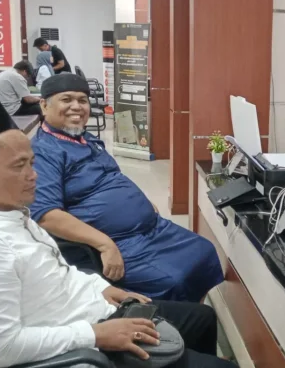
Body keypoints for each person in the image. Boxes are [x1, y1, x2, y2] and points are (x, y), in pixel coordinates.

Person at [0, 98, 235, 368]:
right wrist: (95, 335)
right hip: (83, 344)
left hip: (93, 310)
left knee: (203, 319)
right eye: (19, 166)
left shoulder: (12, 213)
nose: (34, 175)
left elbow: (60, 272)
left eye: (32, 163)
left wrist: (100, 288)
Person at [30, 74, 223, 302]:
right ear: (44, 105)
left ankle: (196, 314)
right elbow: (46, 215)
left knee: (203, 251)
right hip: (120, 242)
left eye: (82, 100)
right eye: (66, 99)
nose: (77, 107)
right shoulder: (43, 152)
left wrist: (141, 201)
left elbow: (112, 176)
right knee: (174, 279)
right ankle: (175, 319)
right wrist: (105, 245)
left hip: (153, 228)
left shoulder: (85, 138)